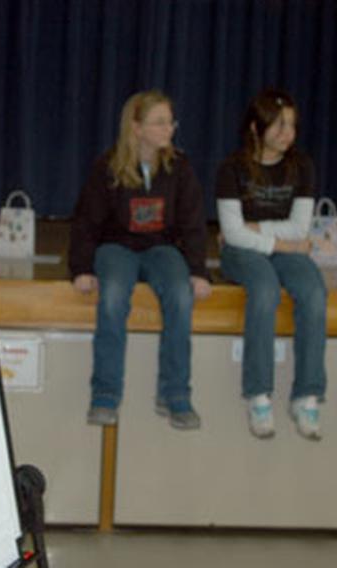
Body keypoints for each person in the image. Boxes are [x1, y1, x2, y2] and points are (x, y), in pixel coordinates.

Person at [69, 90, 211, 429]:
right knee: (114, 295)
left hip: (161, 248)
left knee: (180, 294)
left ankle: (175, 394)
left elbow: (193, 221)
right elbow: (86, 221)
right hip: (116, 247)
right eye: (159, 122)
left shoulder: (179, 167)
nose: (168, 129)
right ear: (136, 128)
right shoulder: (108, 167)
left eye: (170, 122)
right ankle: (105, 394)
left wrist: (198, 271)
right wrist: (82, 268)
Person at [215, 89, 327, 441]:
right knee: (263, 289)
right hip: (242, 252)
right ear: (255, 127)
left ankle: (307, 395)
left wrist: (260, 230)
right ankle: (259, 394)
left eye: (292, 125)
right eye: (278, 125)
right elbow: (232, 234)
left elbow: (301, 228)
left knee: (313, 292)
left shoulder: (302, 166)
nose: (286, 133)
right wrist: (279, 242)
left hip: (279, 247)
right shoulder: (232, 168)